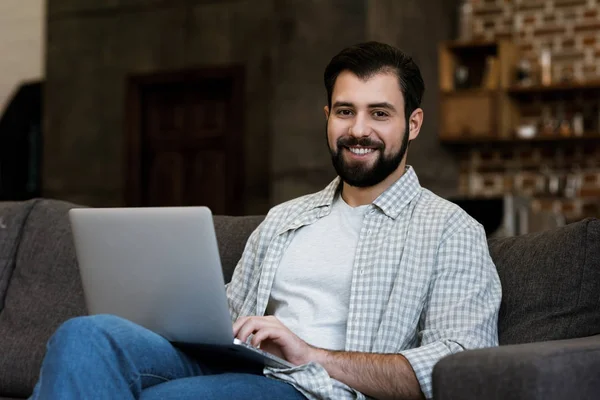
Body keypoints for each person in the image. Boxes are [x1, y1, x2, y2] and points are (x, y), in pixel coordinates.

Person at [30, 41, 501, 400]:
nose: (359, 130)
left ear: (413, 124)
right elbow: (226, 319)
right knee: (85, 335)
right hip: (241, 369)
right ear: (327, 117)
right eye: (345, 111)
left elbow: (460, 364)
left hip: (315, 390)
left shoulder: (449, 229)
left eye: (379, 113)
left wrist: (310, 354)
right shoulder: (286, 218)